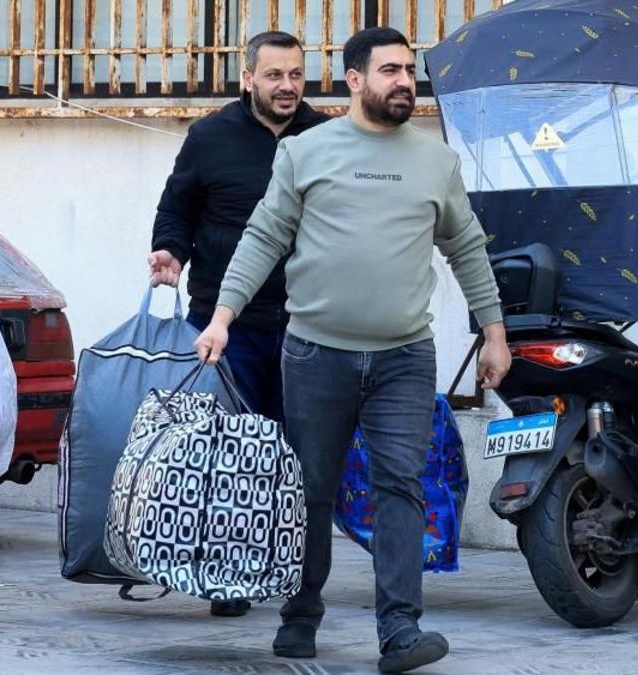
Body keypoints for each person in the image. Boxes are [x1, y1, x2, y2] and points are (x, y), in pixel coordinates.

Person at [194, 27, 511, 673]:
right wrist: (223, 316)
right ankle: (300, 612)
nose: (404, 81)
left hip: (403, 356)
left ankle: (399, 628)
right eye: (390, 70)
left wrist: (495, 330)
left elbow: (467, 248)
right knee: (311, 487)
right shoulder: (308, 151)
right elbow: (262, 237)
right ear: (355, 80)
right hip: (315, 354)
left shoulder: (436, 161)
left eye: (409, 71)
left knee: (401, 485)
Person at [148, 30, 329, 618]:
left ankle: (292, 569)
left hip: (307, 322)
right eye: (274, 75)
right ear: (247, 78)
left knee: (295, 454)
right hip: (226, 324)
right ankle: (230, 573)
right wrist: (169, 251)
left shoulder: (327, 136)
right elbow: (177, 206)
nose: (287, 86)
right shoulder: (210, 136)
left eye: (295, 75)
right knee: (230, 453)